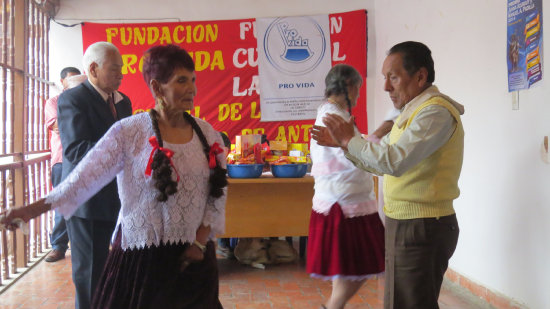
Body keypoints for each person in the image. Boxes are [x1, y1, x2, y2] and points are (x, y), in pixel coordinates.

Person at [1, 44, 228, 309]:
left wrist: (200, 244)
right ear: (156, 87)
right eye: (181, 80)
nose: (191, 88)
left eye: (193, 80)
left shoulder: (207, 134)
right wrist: (32, 209)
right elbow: (84, 177)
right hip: (141, 260)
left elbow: (218, 191)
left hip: (194, 260)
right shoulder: (129, 132)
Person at [311, 41, 465, 309]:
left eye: (392, 77)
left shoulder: (434, 113)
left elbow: (394, 161)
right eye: (385, 78)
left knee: (410, 302)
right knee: (400, 301)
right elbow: (382, 163)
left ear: (420, 76)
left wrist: (350, 142)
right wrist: (346, 145)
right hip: (405, 221)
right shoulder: (412, 112)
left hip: (422, 224)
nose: (385, 87)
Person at [57, 41, 132, 309]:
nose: (121, 74)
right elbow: (76, 150)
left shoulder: (123, 103)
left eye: (122, 69)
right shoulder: (72, 99)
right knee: (89, 274)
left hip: (116, 199)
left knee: (111, 271)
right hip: (86, 202)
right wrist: (123, 151)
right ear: (93, 69)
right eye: (114, 69)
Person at [307, 64, 385, 309]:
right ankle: (332, 307)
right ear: (349, 87)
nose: (359, 94)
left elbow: (350, 148)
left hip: (340, 199)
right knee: (364, 265)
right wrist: (377, 137)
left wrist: (367, 140)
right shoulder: (333, 117)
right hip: (345, 203)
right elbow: (352, 155)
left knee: (346, 268)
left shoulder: (331, 114)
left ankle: (334, 306)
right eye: (358, 88)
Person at [44, 66, 81, 263]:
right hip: (61, 160)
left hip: (85, 159)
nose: (75, 83)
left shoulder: (87, 101)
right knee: (61, 204)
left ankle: (81, 245)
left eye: (78, 79)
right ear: (62, 82)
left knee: (85, 203)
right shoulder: (53, 102)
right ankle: (58, 246)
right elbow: (57, 126)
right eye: (71, 80)